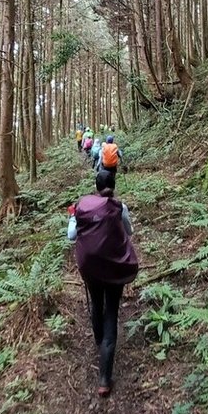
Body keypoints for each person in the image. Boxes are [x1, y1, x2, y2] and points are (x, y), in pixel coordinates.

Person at [67, 169, 138, 396]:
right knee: (111, 311)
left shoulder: (82, 206)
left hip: (90, 267)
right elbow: (128, 231)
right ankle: (105, 378)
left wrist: (73, 217)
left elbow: (71, 235)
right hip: (115, 265)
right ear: (114, 185)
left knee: (97, 303)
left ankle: (99, 343)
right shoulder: (119, 207)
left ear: (96, 187)